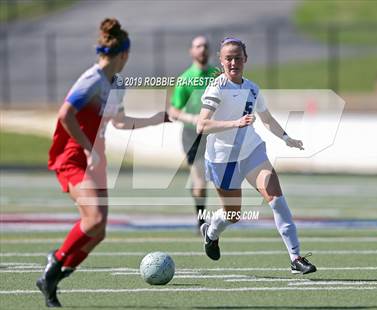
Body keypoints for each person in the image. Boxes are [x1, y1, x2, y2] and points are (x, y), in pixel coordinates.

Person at [36, 18, 169, 307]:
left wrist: (157, 118)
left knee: (99, 232)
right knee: (93, 219)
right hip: (74, 156)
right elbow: (65, 114)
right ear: (124, 54)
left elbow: (120, 123)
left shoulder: (117, 84)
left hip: (95, 156)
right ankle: (52, 269)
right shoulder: (92, 79)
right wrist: (87, 148)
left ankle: (56, 273)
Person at [197, 37, 316, 275]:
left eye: (237, 58)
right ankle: (211, 233)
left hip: (251, 152)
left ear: (245, 60)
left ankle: (295, 258)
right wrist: (236, 122)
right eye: (228, 58)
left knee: (277, 199)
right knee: (233, 215)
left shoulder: (252, 88)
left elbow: (267, 120)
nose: (233, 63)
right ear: (221, 61)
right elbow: (202, 125)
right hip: (223, 160)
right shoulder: (216, 88)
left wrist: (286, 138)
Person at [168, 36, 219, 231]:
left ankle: (227, 216)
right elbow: (173, 111)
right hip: (193, 136)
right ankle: (201, 221)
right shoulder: (185, 79)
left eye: (205, 46)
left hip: (216, 134)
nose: (202, 49)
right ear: (191, 51)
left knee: (223, 178)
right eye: (198, 46)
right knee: (200, 181)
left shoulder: (218, 76)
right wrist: (194, 119)